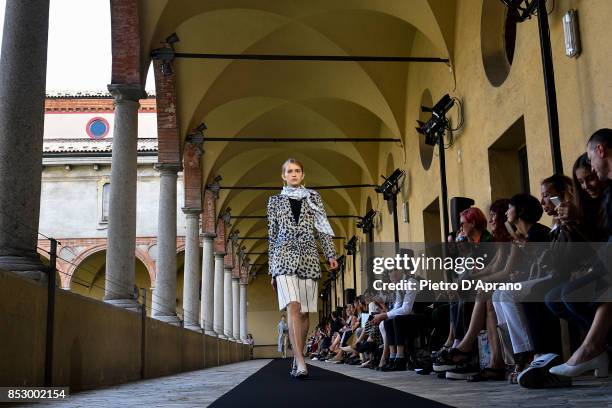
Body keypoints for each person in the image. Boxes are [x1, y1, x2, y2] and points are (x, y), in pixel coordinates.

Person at [268, 158, 338, 378]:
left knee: (305, 312)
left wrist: (330, 254)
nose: (294, 174)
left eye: (297, 170)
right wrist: (272, 268)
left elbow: (323, 228)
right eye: (289, 171)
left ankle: (300, 354)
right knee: (293, 306)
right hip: (283, 257)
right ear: (283, 176)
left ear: (303, 175)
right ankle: (300, 362)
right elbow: (271, 235)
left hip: (308, 258)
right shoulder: (274, 201)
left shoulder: (314, 198)